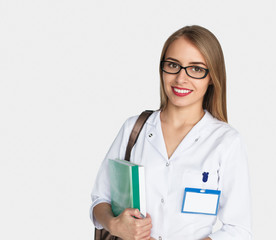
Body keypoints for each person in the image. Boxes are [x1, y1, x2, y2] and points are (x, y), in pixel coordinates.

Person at [90, 25, 252, 240]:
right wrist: (115, 224)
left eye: (196, 69)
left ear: (212, 76)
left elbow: (238, 230)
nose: (180, 79)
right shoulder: (134, 129)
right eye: (173, 65)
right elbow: (100, 200)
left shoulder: (225, 142)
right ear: (162, 68)